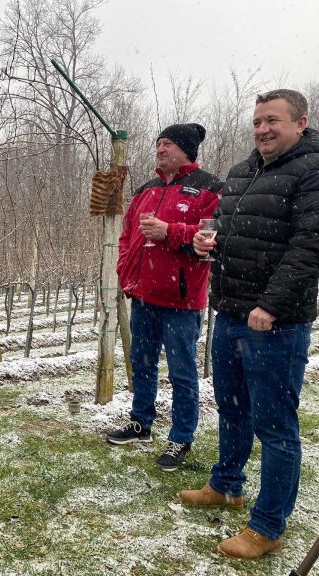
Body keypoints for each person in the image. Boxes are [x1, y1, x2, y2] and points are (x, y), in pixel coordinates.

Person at [180, 89, 319, 560]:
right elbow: (228, 227)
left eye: (272, 120)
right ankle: (227, 485)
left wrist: (271, 305)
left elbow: (312, 246)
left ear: (300, 122)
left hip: (275, 323)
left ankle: (268, 525)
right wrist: (204, 241)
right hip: (231, 311)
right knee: (233, 409)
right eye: (257, 121)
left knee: (275, 426)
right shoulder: (244, 170)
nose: (262, 129)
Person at [105, 123, 222, 472]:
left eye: (168, 144)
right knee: (141, 362)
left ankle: (181, 437)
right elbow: (128, 235)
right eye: (158, 143)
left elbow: (212, 239)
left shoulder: (209, 188)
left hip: (181, 302)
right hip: (144, 296)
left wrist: (171, 232)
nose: (160, 149)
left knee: (182, 373)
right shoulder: (147, 189)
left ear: (186, 149)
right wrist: (126, 270)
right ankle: (141, 422)